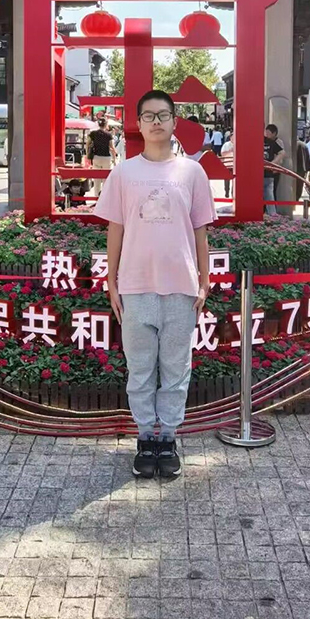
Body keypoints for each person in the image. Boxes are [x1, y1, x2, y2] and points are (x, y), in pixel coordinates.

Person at [95, 90, 216, 479]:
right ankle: (146, 437)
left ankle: (169, 438)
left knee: (177, 368)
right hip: (135, 286)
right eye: (148, 116)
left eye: (163, 115)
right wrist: (111, 281)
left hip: (182, 287)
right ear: (138, 124)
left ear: (175, 121)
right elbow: (116, 229)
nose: (157, 122)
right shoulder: (123, 173)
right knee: (141, 369)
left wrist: (204, 282)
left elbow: (200, 231)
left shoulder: (192, 173)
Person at [263, 124, 284, 216]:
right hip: (257, 174)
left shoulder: (271, 142)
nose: (267, 134)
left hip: (269, 173)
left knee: (270, 195)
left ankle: (272, 215)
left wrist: (273, 163)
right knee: (267, 195)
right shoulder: (253, 141)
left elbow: (282, 152)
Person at [221, 131, 233, 197]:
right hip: (228, 164)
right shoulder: (226, 144)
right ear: (230, 137)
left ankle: (233, 193)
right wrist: (230, 151)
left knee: (235, 180)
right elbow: (222, 154)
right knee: (226, 179)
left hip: (235, 164)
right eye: (232, 137)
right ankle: (227, 191)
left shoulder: (238, 144)